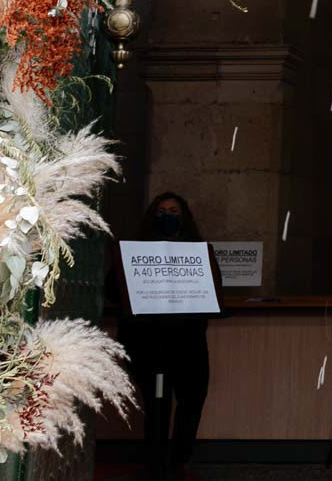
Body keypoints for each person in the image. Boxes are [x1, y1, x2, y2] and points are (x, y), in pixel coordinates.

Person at [114, 192, 222, 481]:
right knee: (156, 403)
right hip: (150, 342)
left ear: (184, 215)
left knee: (192, 400)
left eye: (173, 210)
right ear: (153, 215)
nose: (168, 215)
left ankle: (180, 460)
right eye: (162, 210)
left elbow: (213, 289)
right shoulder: (135, 251)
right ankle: (156, 461)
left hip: (189, 341)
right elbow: (117, 291)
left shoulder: (199, 251)